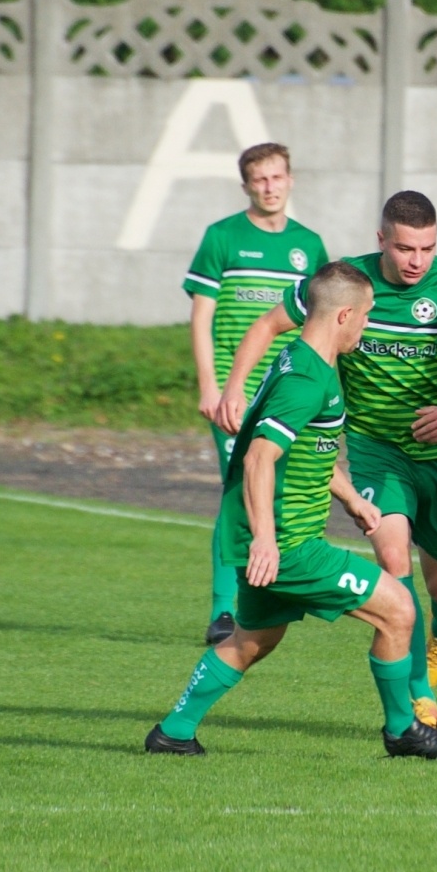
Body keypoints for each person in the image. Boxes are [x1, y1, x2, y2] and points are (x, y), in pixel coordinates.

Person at [145, 262, 437, 759]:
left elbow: (307, 447)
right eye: (365, 316)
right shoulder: (307, 381)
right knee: (399, 610)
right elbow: (258, 456)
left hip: (270, 535)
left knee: (254, 640)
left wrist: (352, 497)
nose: (367, 325)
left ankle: (174, 731)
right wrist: (267, 539)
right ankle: (403, 730)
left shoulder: (300, 360)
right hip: (289, 543)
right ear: (343, 316)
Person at [217, 191, 437, 732]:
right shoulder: (349, 287)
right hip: (376, 452)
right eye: (404, 248)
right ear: (381, 241)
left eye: (427, 248)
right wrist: (236, 389)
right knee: (394, 564)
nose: (416, 260)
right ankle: (419, 698)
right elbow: (264, 327)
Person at [184, 143, 329, 645]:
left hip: (290, 388)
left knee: (285, 485)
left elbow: (326, 317)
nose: (269, 187)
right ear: (246, 185)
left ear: (291, 179)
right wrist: (215, 385)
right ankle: (225, 610)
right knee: (239, 489)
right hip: (236, 390)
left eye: (277, 177)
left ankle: (273, 590)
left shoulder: (308, 245)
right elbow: (202, 315)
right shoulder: (222, 237)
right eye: (259, 180)